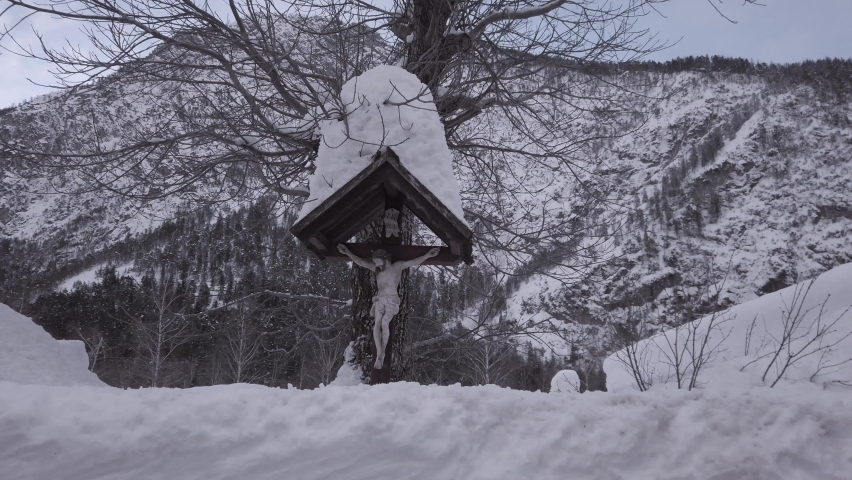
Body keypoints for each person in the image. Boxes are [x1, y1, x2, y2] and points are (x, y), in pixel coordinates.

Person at [337, 244, 440, 369]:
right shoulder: (377, 269)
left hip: (391, 300)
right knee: (377, 324)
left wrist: (428, 255)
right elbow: (360, 262)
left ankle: (383, 353)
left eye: (379, 263)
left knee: (385, 324)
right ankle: (379, 353)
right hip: (379, 300)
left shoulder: (397, 266)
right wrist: (347, 252)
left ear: (385, 259)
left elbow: (414, 261)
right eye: (376, 264)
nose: (378, 266)